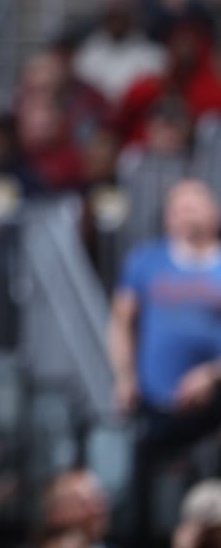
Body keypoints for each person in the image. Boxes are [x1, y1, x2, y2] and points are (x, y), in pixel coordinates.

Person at [110, 180, 221, 541]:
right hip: (156, 403)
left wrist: (211, 375)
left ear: (214, 213)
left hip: (214, 406)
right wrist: (124, 377)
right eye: (177, 208)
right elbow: (122, 322)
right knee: (144, 502)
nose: (185, 215)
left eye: (193, 206)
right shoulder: (146, 260)